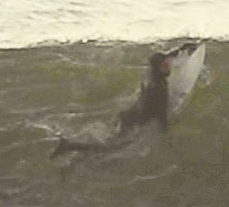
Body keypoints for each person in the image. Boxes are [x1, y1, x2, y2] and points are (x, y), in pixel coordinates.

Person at [53, 43, 192, 157]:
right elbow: (160, 114)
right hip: (132, 121)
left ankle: (75, 150)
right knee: (110, 149)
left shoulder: (152, 77)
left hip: (127, 115)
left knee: (109, 143)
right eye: (165, 66)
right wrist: (167, 133)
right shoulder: (159, 88)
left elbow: (159, 58)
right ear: (158, 69)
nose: (168, 67)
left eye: (167, 64)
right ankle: (70, 146)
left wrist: (183, 49)